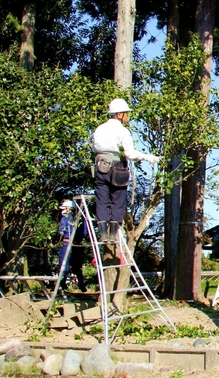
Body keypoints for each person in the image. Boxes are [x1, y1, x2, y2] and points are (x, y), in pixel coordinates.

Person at [91, 99, 160, 241]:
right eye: (126, 114)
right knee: (118, 200)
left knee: (102, 200)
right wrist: (149, 157)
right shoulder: (122, 131)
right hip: (115, 168)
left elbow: (95, 148)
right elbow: (130, 154)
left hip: (100, 166)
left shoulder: (99, 129)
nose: (127, 117)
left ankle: (103, 233)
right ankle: (112, 234)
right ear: (120, 114)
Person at [56, 200, 75, 290]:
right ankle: (62, 282)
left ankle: (61, 282)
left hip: (66, 242)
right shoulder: (75, 218)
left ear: (68, 209)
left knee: (63, 262)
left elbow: (61, 231)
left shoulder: (65, 218)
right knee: (66, 262)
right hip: (72, 243)